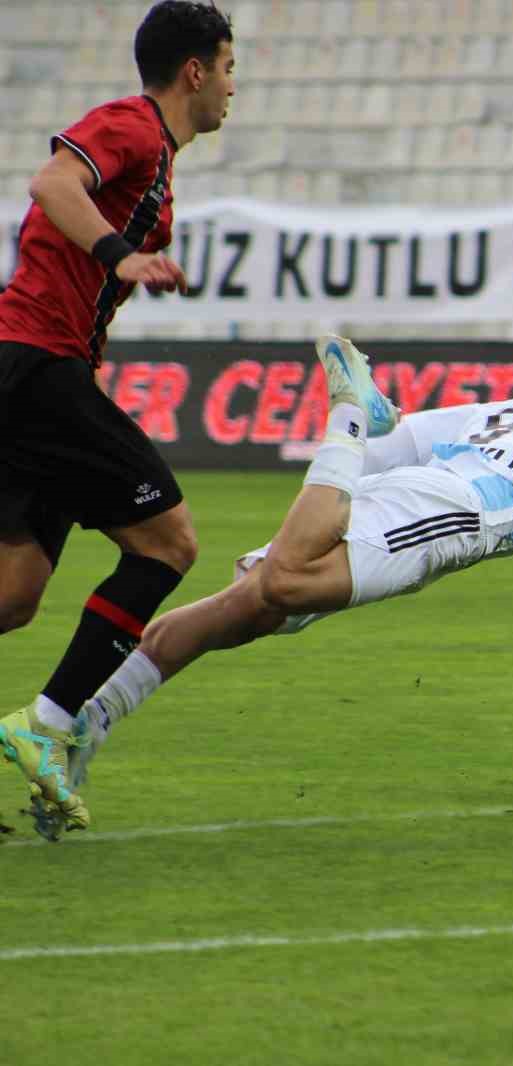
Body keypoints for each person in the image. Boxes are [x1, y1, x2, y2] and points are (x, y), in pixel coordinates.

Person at [33, 336, 513, 839]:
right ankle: (343, 412)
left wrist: (345, 478)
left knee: (249, 605)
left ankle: (85, 724)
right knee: (284, 582)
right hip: (459, 514)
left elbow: (398, 442)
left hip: (413, 489)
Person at [0, 2, 237, 832]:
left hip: (34, 366)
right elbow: (51, 183)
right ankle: (48, 726)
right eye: (230, 68)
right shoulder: (131, 127)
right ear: (196, 71)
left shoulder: (158, 159)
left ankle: (44, 727)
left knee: (12, 596)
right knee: (170, 543)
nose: (234, 89)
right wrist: (121, 255)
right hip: (36, 366)